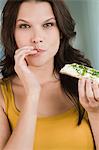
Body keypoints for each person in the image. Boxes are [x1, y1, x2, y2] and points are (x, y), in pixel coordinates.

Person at [0, 0, 99, 149]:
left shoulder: (87, 85)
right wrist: (33, 93)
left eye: (48, 25)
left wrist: (95, 113)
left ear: (60, 31)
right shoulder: (3, 96)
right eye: (24, 26)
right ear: (12, 34)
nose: (37, 38)